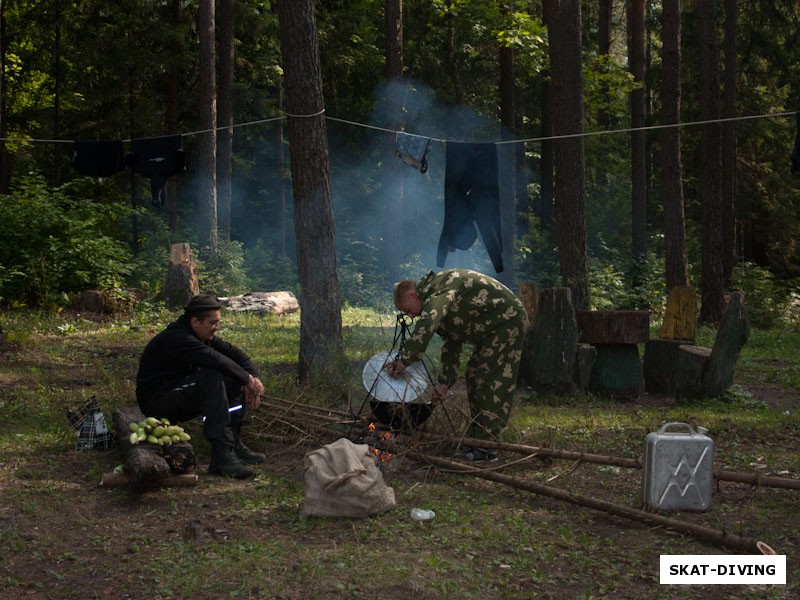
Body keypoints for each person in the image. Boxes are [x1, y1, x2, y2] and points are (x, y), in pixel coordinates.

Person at [386, 269, 527, 461]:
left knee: (489, 380)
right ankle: (479, 441)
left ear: (412, 295)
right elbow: (452, 343)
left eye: (409, 310)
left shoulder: (437, 292)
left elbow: (428, 323)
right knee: (474, 375)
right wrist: (445, 382)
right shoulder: (437, 297)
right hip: (492, 328)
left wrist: (404, 360)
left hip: (506, 321)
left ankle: (488, 447)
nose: (412, 315)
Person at [136, 294, 266, 479]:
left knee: (233, 379)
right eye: (213, 323)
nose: (217, 327)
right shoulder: (177, 338)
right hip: (158, 401)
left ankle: (232, 442)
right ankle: (221, 456)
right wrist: (247, 380)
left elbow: (237, 355)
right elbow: (216, 360)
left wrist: (253, 380)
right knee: (212, 375)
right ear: (195, 321)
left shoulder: (200, 334)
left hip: (181, 391)